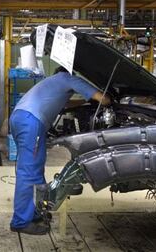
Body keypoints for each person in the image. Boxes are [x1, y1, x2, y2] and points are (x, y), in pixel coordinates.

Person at [9, 67, 111, 235]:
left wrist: (84, 103)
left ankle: (33, 212)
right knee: (28, 172)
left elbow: (68, 103)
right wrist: (109, 99)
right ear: (71, 71)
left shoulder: (53, 81)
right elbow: (103, 99)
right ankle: (20, 221)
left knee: (35, 168)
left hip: (22, 118)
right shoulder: (68, 78)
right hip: (31, 122)